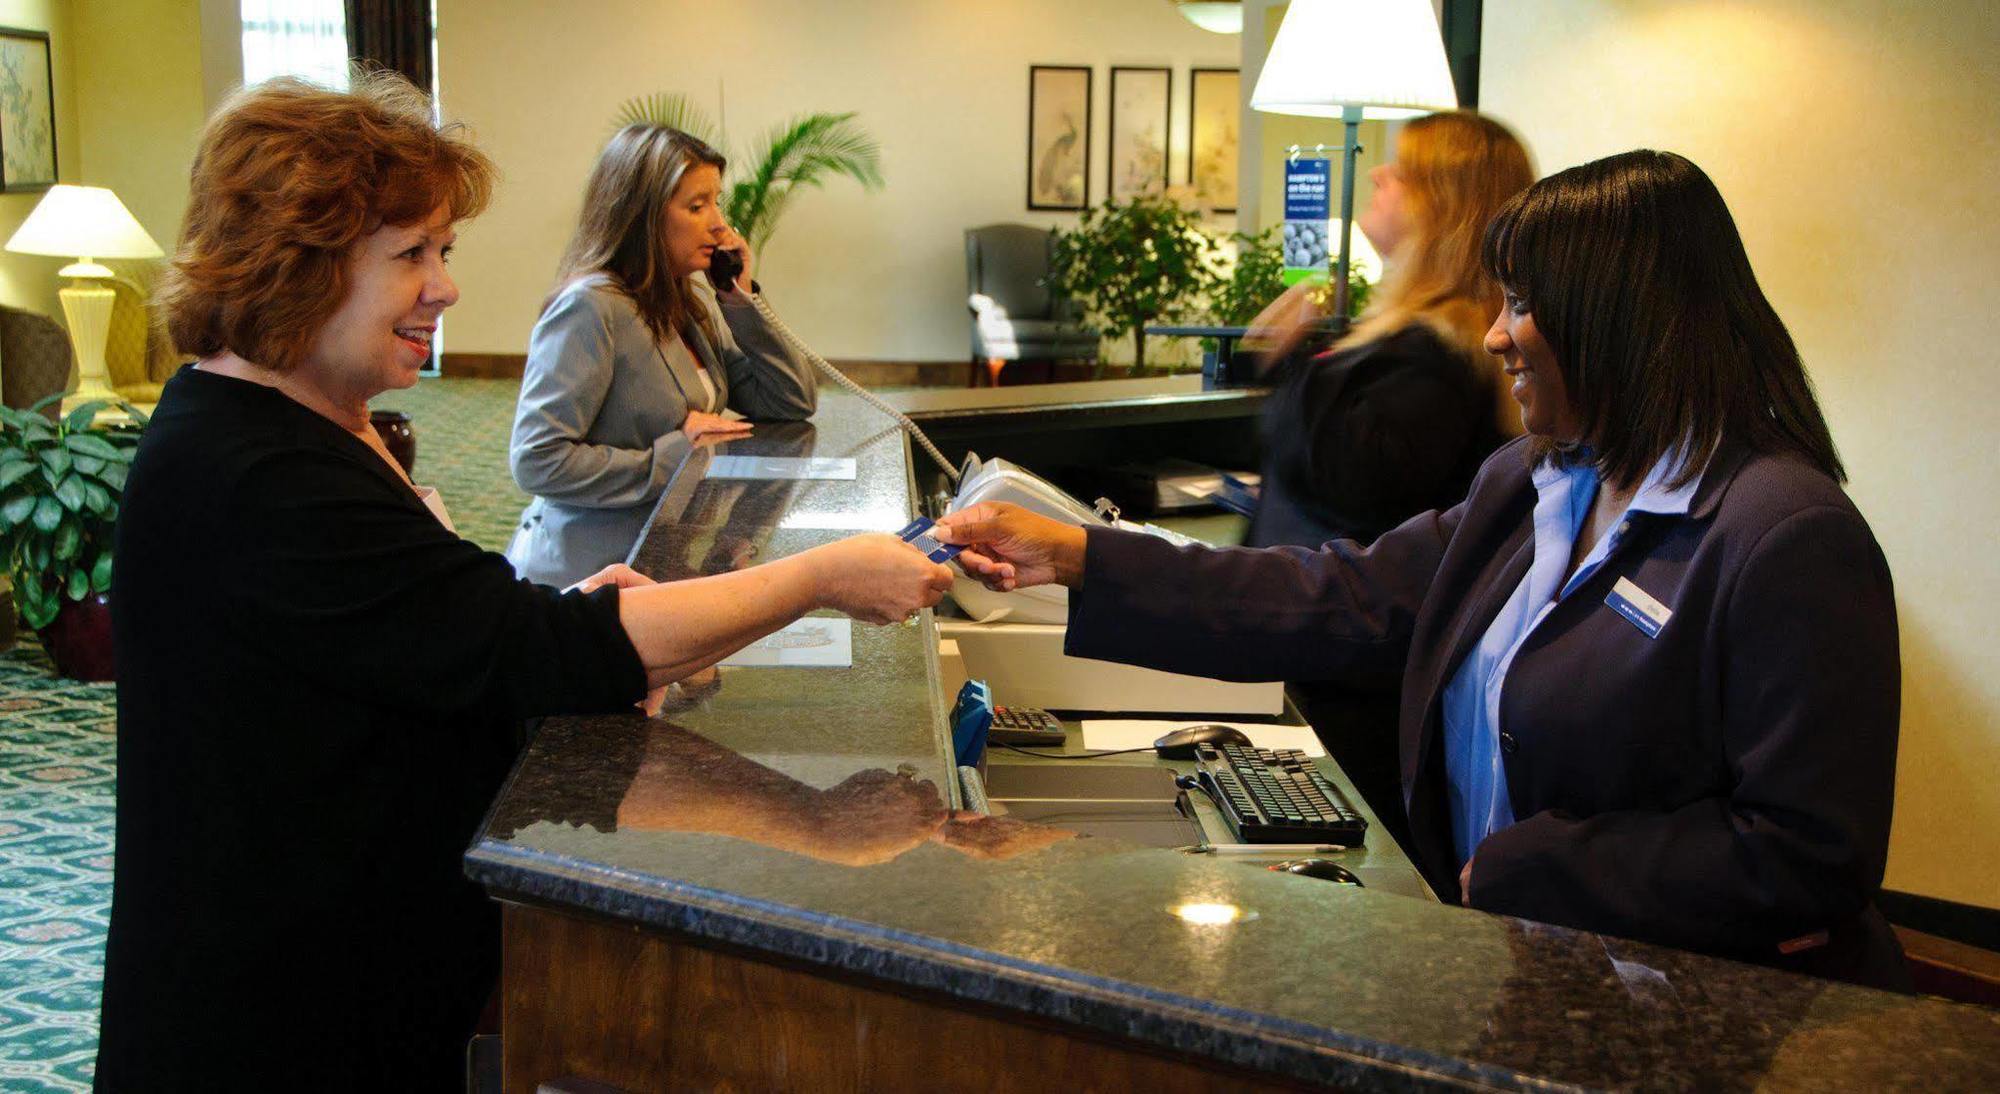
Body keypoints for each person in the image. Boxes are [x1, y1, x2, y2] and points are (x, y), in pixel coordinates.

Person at [99, 75, 952, 1092]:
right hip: (273, 1020)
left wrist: (539, 613)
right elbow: (537, 654)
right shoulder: (255, 469)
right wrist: (818, 576)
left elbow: (418, 632)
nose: (446, 287)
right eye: (410, 254)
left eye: (442, 251)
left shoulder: (312, 417)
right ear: (298, 267)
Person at [936, 150, 1906, 990]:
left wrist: (1521, 868)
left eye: (1521, 304)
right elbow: (1337, 593)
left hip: (1690, 1013)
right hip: (1516, 962)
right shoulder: (1531, 482)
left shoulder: (1782, 535)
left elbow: (1804, 851)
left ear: (1615, 318)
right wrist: (1079, 555)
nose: (1492, 333)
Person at [506, 123, 817, 585]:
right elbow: (537, 460)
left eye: (717, 202)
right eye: (697, 206)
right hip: (589, 570)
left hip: (661, 551)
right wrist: (673, 455)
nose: (719, 224)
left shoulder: (685, 303)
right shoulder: (591, 306)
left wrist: (739, 297)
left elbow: (790, 402)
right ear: (643, 215)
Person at [1242, 110, 1534, 550]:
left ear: (1442, 205)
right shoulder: (1414, 337)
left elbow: (1350, 487)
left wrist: (1291, 360)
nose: (1378, 174)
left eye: (1401, 172)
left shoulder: (1439, 358)